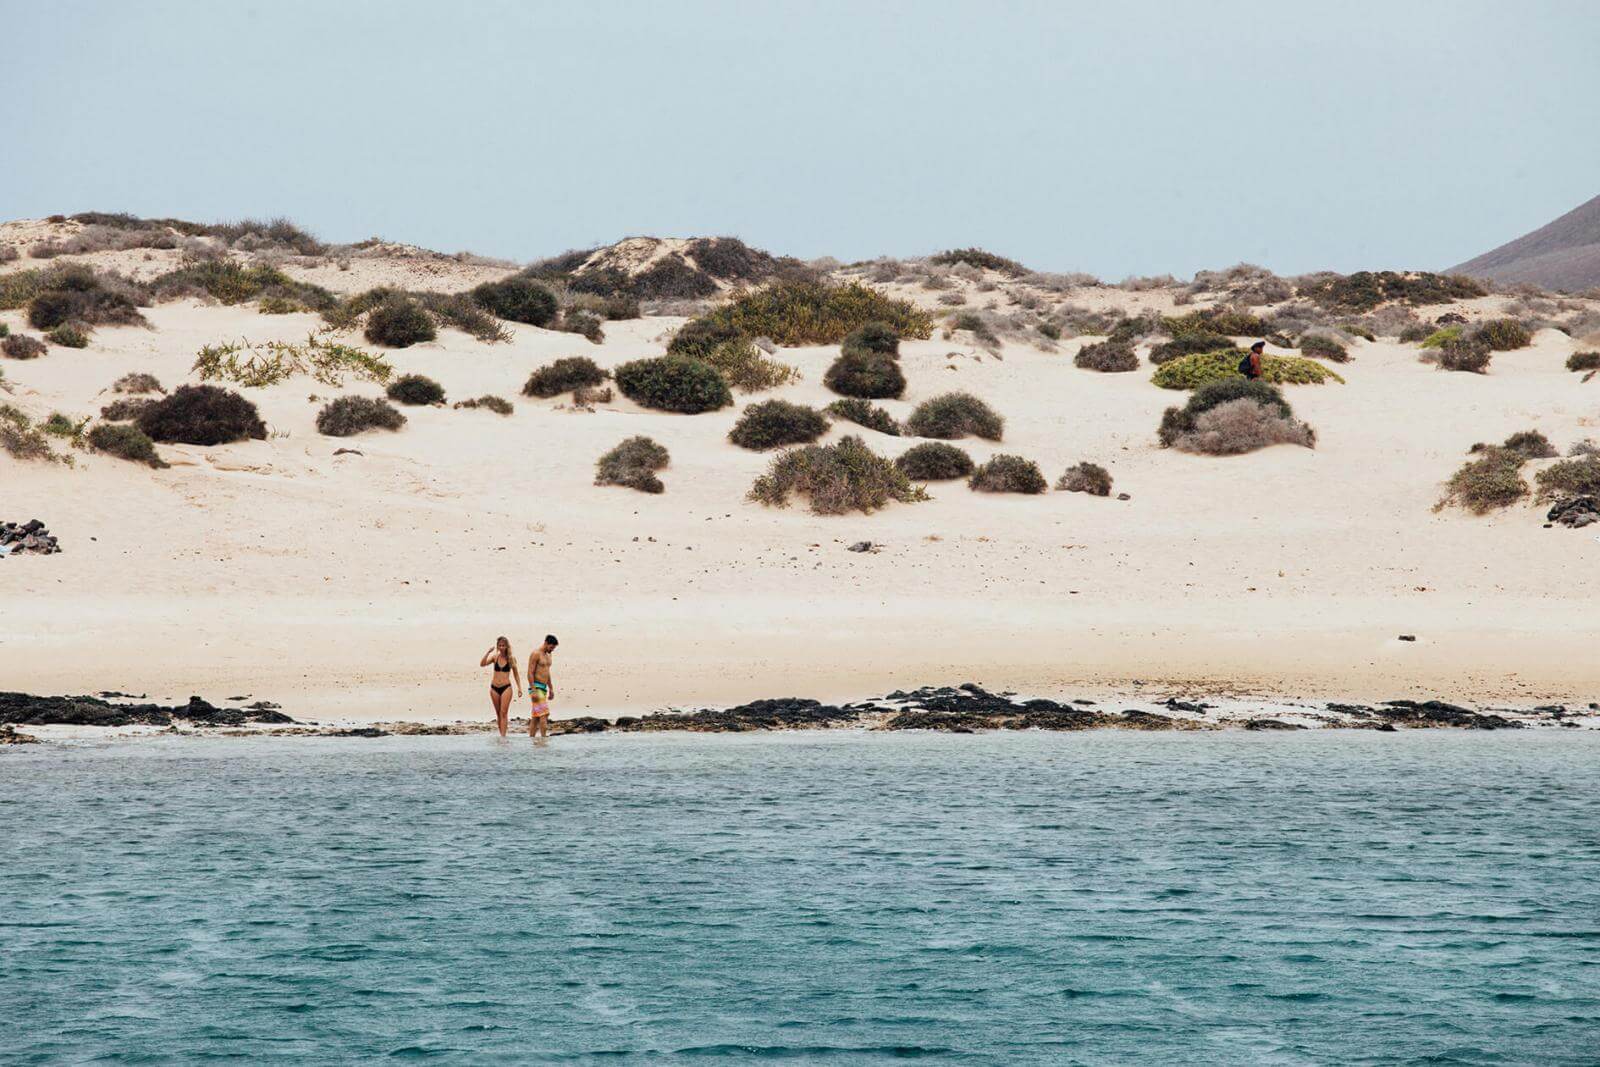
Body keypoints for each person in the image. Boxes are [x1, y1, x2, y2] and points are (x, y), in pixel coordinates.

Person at [480, 636, 522, 738]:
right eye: (500, 646)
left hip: (506, 688)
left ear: (507, 646)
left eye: (503, 645)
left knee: (503, 713)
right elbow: (482, 664)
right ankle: (501, 735)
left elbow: (516, 674)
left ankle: (503, 737)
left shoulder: (511, 659)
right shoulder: (495, 657)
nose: (502, 647)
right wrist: (488, 652)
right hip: (494, 688)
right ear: (497, 647)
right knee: (498, 714)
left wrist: (519, 688)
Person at [526, 634, 558, 739]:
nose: (552, 650)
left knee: (536, 717)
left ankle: (532, 740)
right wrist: (533, 690)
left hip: (543, 688)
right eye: (551, 647)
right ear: (546, 643)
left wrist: (551, 688)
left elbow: (547, 673)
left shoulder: (548, 656)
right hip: (536, 687)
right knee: (545, 714)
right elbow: (530, 672)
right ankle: (544, 739)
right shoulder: (536, 654)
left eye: (553, 648)